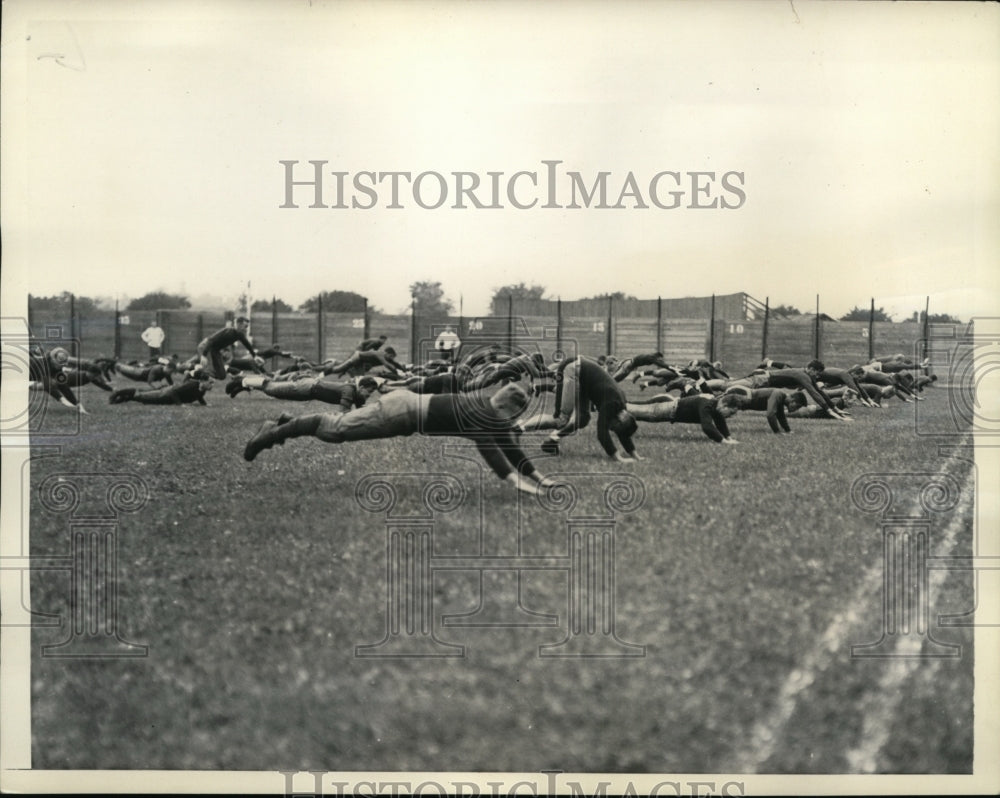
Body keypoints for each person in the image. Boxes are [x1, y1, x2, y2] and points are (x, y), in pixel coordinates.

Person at [243, 383, 558, 495]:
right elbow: (490, 449)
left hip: (405, 409)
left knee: (335, 428)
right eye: (515, 417)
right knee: (334, 429)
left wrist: (540, 478)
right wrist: (515, 481)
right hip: (400, 412)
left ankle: (286, 423)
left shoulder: (489, 409)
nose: (514, 424)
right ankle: (273, 432)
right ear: (506, 408)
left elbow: (508, 446)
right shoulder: (483, 414)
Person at [517, 355, 640, 462]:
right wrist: (618, 458)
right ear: (620, 419)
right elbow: (602, 433)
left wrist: (636, 456)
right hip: (573, 369)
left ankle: (551, 441)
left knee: (582, 419)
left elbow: (623, 433)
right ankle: (519, 428)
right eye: (614, 427)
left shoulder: (621, 408)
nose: (611, 428)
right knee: (560, 419)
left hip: (583, 377)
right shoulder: (612, 404)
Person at [626, 393, 742, 443]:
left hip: (669, 408)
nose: (730, 416)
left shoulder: (714, 404)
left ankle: (617, 406)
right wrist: (723, 441)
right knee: (631, 411)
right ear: (724, 404)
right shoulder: (707, 404)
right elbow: (707, 426)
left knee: (633, 410)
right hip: (666, 410)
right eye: (731, 413)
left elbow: (719, 420)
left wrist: (728, 437)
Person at [228, 373, 378, 411]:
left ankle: (245, 382)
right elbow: (343, 413)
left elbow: (360, 411)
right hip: (307, 387)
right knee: (271, 389)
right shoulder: (349, 390)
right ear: (361, 388)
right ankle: (243, 380)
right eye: (368, 392)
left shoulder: (358, 395)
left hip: (308, 390)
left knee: (272, 390)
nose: (368, 396)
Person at [109, 374, 213, 406]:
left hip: (168, 399)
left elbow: (199, 397)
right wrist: (180, 404)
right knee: (142, 395)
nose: (211, 385)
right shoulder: (192, 384)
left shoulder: (202, 390)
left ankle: (119, 400)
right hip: (166, 394)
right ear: (203, 381)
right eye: (210, 382)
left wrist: (205, 404)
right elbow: (174, 392)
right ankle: (117, 393)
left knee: (143, 399)